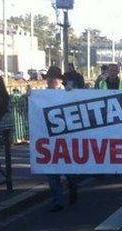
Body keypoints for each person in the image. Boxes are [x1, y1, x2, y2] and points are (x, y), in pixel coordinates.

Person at [43, 66, 78, 212]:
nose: (51, 80)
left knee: (67, 169)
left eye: (54, 78)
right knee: (52, 171)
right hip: (49, 139)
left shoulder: (67, 92)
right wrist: (29, 97)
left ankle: (72, 184)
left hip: (65, 138)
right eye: (49, 78)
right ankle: (58, 200)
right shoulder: (42, 95)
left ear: (59, 80)